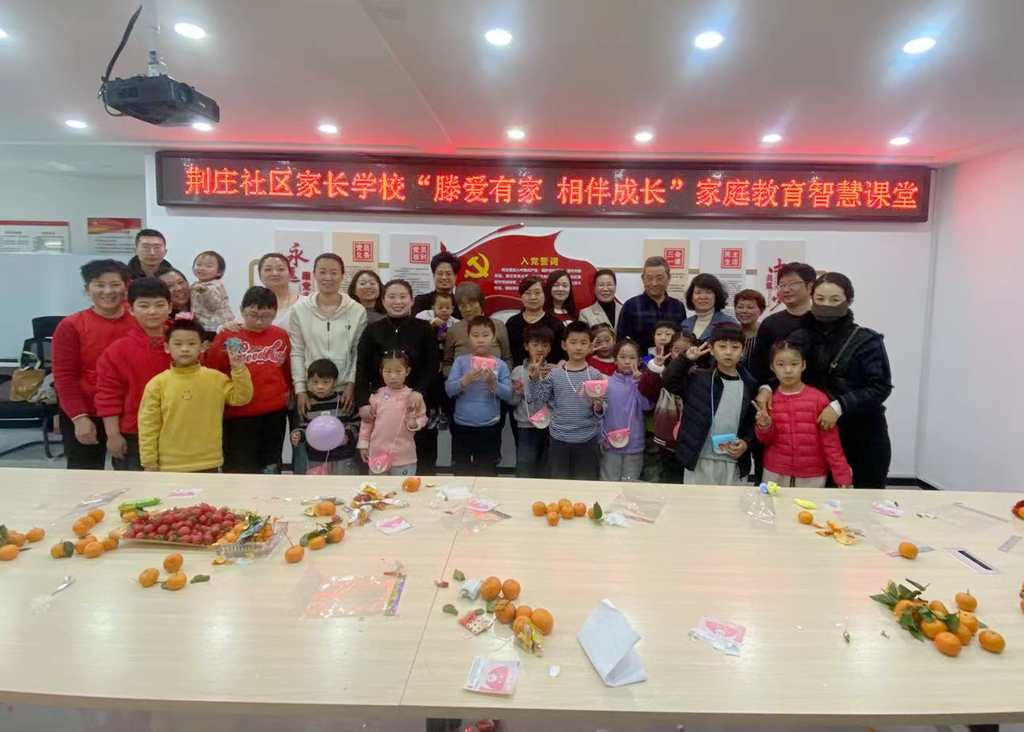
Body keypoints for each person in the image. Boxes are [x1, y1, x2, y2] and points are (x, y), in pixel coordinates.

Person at [776, 273, 894, 489]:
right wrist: (766, 389)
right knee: (818, 502)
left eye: (834, 299)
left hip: (863, 434)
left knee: (864, 499)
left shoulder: (866, 340)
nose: (826, 305)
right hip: (815, 435)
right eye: (820, 299)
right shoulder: (798, 337)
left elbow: (881, 387)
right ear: (811, 298)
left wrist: (839, 406)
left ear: (849, 300)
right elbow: (782, 371)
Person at [137, 317, 253, 472]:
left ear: (203, 347)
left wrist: (238, 368)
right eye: (178, 344)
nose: (185, 349)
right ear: (167, 347)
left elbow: (242, 397)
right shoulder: (157, 384)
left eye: (191, 344)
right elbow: (148, 426)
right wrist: (149, 462)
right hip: (169, 465)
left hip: (209, 462)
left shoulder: (216, 379)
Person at [52, 259, 135, 469]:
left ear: (126, 287)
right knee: (84, 475)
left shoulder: (139, 321)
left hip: (129, 415)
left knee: (131, 474)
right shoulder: (71, 325)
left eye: (115, 284)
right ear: (87, 289)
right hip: (87, 412)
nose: (108, 291)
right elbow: (64, 377)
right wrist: (78, 417)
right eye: (99, 285)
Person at [354, 280, 440, 473]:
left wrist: (420, 391)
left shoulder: (424, 328)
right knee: (380, 463)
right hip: (381, 406)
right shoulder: (372, 330)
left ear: (411, 301)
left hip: (416, 403)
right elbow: (361, 368)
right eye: (391, 297)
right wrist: (362, 402)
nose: (397, 301)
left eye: (403, 297)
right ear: (383, 301)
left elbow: (433, 363)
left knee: (422, 460)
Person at [208, 287, 291, 474]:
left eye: (266, 316)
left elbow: (286, 370)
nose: (259, 321)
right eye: (253, 315)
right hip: (238, 415)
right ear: (241, 310)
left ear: (275, 313)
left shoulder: (281, 335)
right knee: (239, 467)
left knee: (270, 465)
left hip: (274, 412)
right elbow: (215, 373)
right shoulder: (227, 337)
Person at [663, 323, 758, 485]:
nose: (728, 352)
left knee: (731, 501)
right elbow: (669, 382)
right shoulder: (698, 378)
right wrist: (685, 359)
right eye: (722, 346)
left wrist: (746, 443)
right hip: (699, 459)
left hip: (734, 461)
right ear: (712, 350)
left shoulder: (749, 384)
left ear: (743, 351)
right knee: (699, 500)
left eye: (735, 347)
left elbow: (751, 422)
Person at [94, 278, 173, 471]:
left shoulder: (184, 343)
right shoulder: (118, 350)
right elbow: (108, 395)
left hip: (179, 431)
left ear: (170, 307)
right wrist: (113, 435)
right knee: (136, 486)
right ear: (130, 309)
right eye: (144, 306)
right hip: (134, 433)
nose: (152, 312)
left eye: (159, 305)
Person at [753, 340, 853, 488]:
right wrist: (764, 426)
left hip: (813, 475)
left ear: (803, 365)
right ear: (772, 367)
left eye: (794, 364)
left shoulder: (818, 399)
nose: (788, 370)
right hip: (775, 472)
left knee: (810, 504)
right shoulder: (769, 399)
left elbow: (831, 442)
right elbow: (764, 440)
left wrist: (842, 475)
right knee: (774, 504)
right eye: (781, 364)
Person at [290, 253, 367, 419]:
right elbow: (297, 351)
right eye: (322, 272)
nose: (328, 277)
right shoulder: (300, 309)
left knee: (346, 434)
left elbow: (358, 352)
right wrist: (300, 390)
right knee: (308, 433)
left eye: (333, 272)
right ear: (314, 275)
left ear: (342, 276)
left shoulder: (357, 310)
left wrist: (351, 384)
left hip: (344, 392)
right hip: (312, 391)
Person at [527, 320, 605, 480]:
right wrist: (534, 379)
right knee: (559, 483)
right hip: (559, 439)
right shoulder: (555, 374)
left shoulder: (595, 375)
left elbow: (604, 406)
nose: (578, 347)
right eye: (573, 342)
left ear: (590, 347)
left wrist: (598, 406)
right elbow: (539, 400)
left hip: (587, 439)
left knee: (584, 483)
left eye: (583, 343)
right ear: (564, 345)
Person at [445, 317, 513, 476]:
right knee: (461, 470)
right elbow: (449, 390)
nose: (480, 340)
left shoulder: (500, 365)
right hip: (462, 425)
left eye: (485, 335)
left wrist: (494, 384)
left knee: (487, 471)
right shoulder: (460, 362)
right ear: (468, 338)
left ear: (494, 338)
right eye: (475, 335)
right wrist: (466, 380)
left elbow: (508, 394)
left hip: (490, 426)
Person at [639, 333, 698, 484]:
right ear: (670, 351)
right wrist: (654, 370)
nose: (681, 355)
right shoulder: (663, 371)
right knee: (668, 475)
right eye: (676, 350)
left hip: (691, 436)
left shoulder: (699, 373)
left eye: (686, 351)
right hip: (666, 435)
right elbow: (647, 392)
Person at [357, 350, 428, 476]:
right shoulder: (376, 395)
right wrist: (363, 444)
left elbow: (423, 417)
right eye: (388, 371)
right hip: (377, 454)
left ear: (407, 371)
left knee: (403, 486)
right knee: (377, 487)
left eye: (398, 371)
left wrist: (416, 423)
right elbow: (367, 422)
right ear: (381, 372)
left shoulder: (413, 396)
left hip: (404, 456)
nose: (393, 376)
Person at [748, 262, 816, 386]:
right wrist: (765, 389)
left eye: (792, 284)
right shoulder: (770, 323)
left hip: (817, 393)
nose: (786, 289)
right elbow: (758, 365)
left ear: (810, 286)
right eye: (782, 285)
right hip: (777, 392)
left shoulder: (822, 320)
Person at [292, 360, 360, 475]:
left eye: (325, 382)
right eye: (315, 382)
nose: (320, 386)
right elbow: (305, 426)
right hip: (317, 459)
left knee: (344, 484)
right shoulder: (309, 404)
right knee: (319, 485)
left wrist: (347, 436)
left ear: (335, 382)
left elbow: (355, 422)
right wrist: (298, 434)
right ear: (308, 382)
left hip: (343, 457)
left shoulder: (343, 401)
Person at [600, 339, 652, 482]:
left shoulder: (642, 383)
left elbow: (647, 406)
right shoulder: (606, 383)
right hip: (610, 443)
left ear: (639, 361)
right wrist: (601, 436)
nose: (627, 361)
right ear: (615, 359)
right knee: (608, 482)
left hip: (634, 445)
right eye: (622, 357)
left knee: (630, 484)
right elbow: (599, 413)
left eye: (632, 358)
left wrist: (639, 384)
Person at [616, 256, 687, 353]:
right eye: (649, 278)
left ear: (668, 278)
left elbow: (682, 339)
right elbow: (621, 341)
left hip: (672, 361)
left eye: (659, 278)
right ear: (643, 279)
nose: (654, 283)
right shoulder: (630, 306)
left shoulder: (678, 306)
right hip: (640, 361)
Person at [510, 325, 553, 478]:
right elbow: (511, 402)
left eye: (545, 345)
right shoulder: (518, 371)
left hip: (549, 426)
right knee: (525, 464)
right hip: (525, 426)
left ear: (550, 348)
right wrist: (517, 394)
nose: (540, 349)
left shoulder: (553, 371)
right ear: (526, 346)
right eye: (535, 344)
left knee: (546, 466)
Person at [442, 282, 512, 376]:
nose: (467, 309)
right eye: (462, 305)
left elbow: (507, 358)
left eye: (472, 304)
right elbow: (447, 363)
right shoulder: (453, 330)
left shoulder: (498, 326)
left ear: (480, 303)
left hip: (494, 381)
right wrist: (457, 380)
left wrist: (502, 378)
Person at [505, 276, 567, 367]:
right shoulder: (512, 323)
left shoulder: (555, 324)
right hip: (519, 374)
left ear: (545, 295)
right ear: (521, 296)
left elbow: (566, 354)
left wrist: (558, 368)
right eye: (528, 293)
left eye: (537, 293)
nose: (533, 297)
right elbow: (507, 355)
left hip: (549, 374)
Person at [682, 273, 739, 341]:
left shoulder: (729, 323)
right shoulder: (685, 324)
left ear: (716, 296)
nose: (702, 297)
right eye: (698, 293)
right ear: (691, 297)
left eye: (708, 292)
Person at [190, 251, 235, 335]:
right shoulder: (196, 284)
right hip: (203, 326)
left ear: (219, 272)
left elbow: (212, 305)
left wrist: (204, 292)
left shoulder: (215, 285)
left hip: (216, 327)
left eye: (209, 266)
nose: (202, 268)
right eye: (199, 265)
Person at [412, 251, 462, 318]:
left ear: (455, 277)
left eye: (448, 274)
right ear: (433, 275)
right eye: (440, 273)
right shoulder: (421, 301)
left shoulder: (460, 303)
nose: (444, 277)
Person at [257, 253, 300, 328]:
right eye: (268, 269)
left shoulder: (305, 303)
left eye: (281, 269)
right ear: (260, 275)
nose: (275, 273)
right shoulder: (251, 304)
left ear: (290, 274)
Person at [734, 289, 766, 366]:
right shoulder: (730, 332)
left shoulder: (767, 334)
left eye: (750, 307)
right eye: (740, 307)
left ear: (761, 311)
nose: (744, 311)